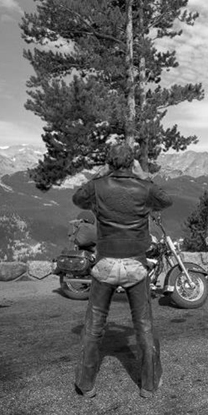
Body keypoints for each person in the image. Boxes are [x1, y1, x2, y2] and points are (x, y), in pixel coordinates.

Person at [72, 143, 172, 399]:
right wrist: (143, 176)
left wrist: (100, 174)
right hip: (135, 265)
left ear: (109, 163)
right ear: (132, 163)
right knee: (144, 326)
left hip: (105, 263)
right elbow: (166, 200)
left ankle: (86, 385)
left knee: (94, 327)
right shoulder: (145, 188)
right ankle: (148, 385)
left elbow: (77, 199)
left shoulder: (98, 186)